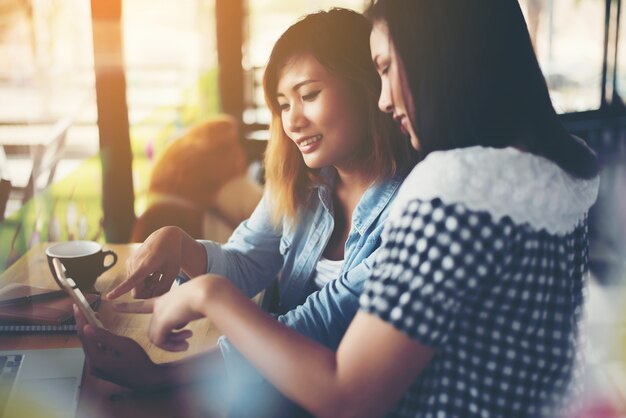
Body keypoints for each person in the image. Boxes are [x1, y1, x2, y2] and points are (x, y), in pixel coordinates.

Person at [78, 0, 601, 416]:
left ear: (439, 59)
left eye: (387, 68)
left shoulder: (449, 191)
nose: (384, 96)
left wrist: (205, 301)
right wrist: (190, 253)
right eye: (282, 104)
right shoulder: (552, 172)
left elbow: (344, 389)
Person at [78, 6, 412, 399]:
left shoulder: (413, 208)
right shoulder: (301, 184)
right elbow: (245, 263)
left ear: (369, 85)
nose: (292, 122)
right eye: (283, 105)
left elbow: (316, 328)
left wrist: (160, 376)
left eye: (309, 95)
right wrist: (182, 244)